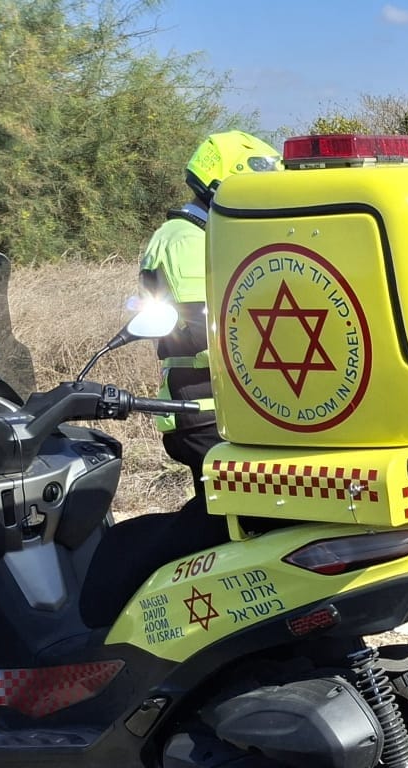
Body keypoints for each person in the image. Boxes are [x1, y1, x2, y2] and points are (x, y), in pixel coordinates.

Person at [138, 130, 281, 495]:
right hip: (204, 409)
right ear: (220, 185)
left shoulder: (216, 234)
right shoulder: (184, 239)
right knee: (233, 512)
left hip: (232, 406)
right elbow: (201, 328)